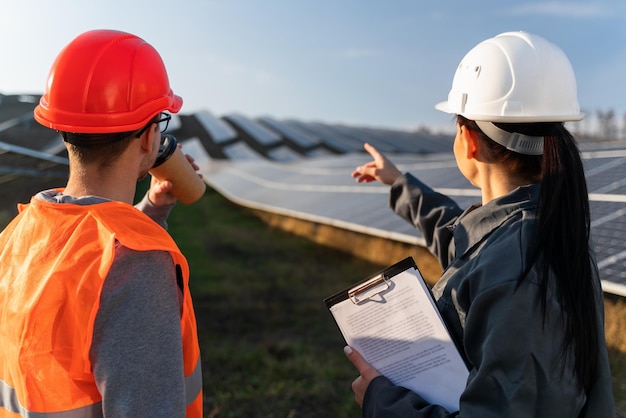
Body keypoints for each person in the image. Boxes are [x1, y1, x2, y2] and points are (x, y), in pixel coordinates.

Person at [346, 31, 616, 417]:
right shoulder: (542, 222)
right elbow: (467, 244)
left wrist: (382, 401)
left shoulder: (521, 269)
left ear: (468, 139)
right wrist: (399, 183)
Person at [0, 30, 203, 417]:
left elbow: (86, 261)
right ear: (147, 138)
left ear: (62, 129)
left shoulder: (19, 233)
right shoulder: (138, 266)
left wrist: (152, 208)